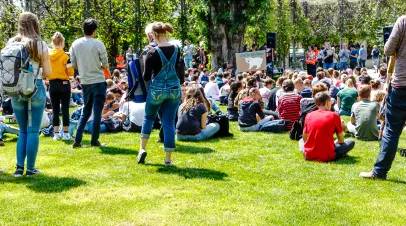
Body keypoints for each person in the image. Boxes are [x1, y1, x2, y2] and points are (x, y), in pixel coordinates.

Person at [360, 15, 406, 180]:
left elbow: (387, 50)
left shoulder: (403, 21)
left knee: (392, 131)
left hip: (401, 85)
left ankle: (379, 172)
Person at [8, 12, 52, 177]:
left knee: (23, 130)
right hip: (35, 87)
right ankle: (31, 169)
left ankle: (19, 168)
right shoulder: (39, 44)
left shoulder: (11, 42)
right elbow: (47, 72)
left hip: (15, 89)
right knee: (33, 130)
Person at [138, 22, 184, 167]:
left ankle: (142, 149)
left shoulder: (152, 52)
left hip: (157, 90)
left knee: (149, 118)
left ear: (154, 34)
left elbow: (145, 76)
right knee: (169, 123)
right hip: (174, 89)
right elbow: (180, 69)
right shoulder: (177, 49)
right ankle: (168, 159)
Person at [71, 18, 108, 148]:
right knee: (97, 112)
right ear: (94, 30)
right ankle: (94, 140)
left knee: (85, 111)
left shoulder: (75, 44)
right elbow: (105, 64)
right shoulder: (99, 44)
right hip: (98, 80)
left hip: (85, 81)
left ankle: (77, 140)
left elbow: (73, 64)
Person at [299, 92, 355, 162]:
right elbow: (341, 140)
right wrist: (334, 143)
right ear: (327, 103)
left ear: (316, 103)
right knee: (351, 141)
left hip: (309, 155)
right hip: (328, 155)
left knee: (301, 141)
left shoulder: (308, 115)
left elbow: (305, 138)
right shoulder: (334, 115)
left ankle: (308, 151)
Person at [48, 32, 75, 141]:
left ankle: (55, 134)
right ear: (62, 42)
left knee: (55, 109)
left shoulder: (48, 56)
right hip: (64, 84)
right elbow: (70, 72)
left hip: (52, 84)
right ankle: (66, 133)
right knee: (65, 109)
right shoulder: (65, 56)